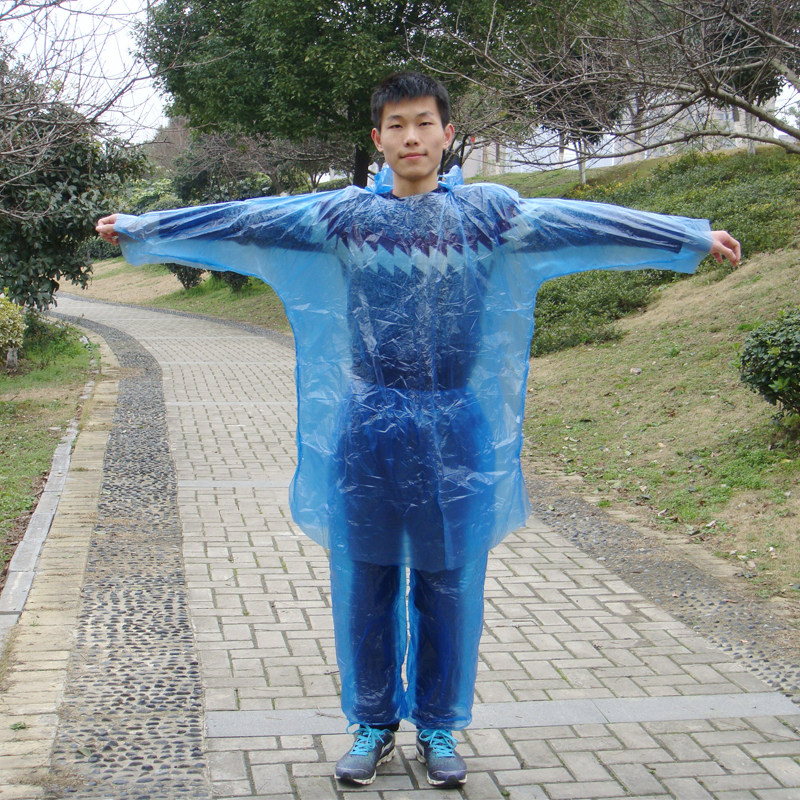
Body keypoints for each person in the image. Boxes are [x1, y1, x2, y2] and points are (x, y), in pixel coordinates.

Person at [97, 72, 741, 789]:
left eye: (424, 122)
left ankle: (438, 726)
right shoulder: (344, 218)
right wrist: (149, 229)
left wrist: (685, 236)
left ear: (446, 133)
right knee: (366, 583)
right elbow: (250, 220)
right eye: (397, 125)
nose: (412, 137)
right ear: (378, 139)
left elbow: (577, 222)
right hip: (368, 429)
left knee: (448, 585)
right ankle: (372, 725)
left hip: (455, 429)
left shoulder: (488, 216)